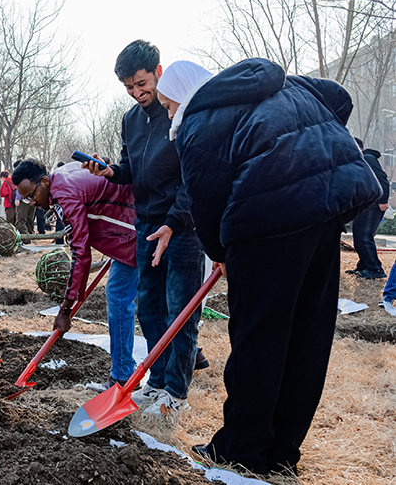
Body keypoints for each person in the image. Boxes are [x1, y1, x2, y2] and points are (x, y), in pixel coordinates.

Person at [157, 58, 380, 476]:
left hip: (266, 225)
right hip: (323, 211)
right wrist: (311, 149)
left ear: (186, 93)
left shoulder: (198, 121)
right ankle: (282, 453)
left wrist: (220, 253)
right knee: (306, 336)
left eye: (170, 105)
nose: (170, 114)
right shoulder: (281, 86)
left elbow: (204, 202)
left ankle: (241, 449)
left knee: (258, 338)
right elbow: (339, 97)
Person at [83, 40, 205, 418]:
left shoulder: (182, 111)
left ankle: (176, 392)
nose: (137, 93)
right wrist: (109, 172)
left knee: (179, 310)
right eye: (129, 88)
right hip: (146, 223)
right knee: (149, 308)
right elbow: (130, 170)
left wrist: (173, 222)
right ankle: (156, 380)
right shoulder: (130, 120)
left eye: (141, 83)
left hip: (183, 227)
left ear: (158, 72)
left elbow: (193, 179)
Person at [12, 159, 139, 389]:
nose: (32, 203)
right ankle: (188, 353)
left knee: (119, 296)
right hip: (127, 226)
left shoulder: (63, 195)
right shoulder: (60, 175)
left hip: (133, 228)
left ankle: (122, 377)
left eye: (32, 195)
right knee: (152, 297)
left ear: (44, 181)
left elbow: (81, 252)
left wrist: (66, 309)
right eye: (26, 199)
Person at [347, 137, 390, 279]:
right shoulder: (358, 160)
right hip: (363, 204)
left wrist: (383, 200)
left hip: (374, 203)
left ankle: (375, 269)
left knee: (364, 236)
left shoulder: (367, 158)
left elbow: (382, 179)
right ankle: (364, 265)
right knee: (358, 236)